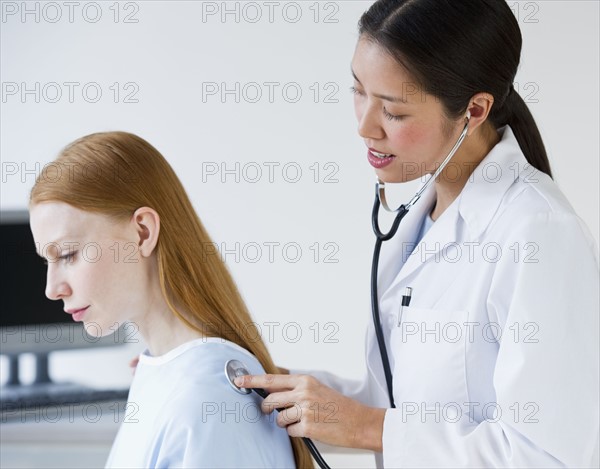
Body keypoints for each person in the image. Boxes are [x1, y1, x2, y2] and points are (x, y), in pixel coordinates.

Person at [235, 0, 600, 467]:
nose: (364, 126)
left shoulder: (539, 235)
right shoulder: (422, 215)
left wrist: (367, 427)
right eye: (358, 90)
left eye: (393, 112)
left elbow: (550, 455)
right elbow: (398, 404)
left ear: (474, 109)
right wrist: (253, 385)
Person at [28, 131, 313, 468]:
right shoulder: (166, 375)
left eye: (68, 254)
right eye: (48, 261)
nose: (51, 288)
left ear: (142, 232)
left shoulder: (205, 398)